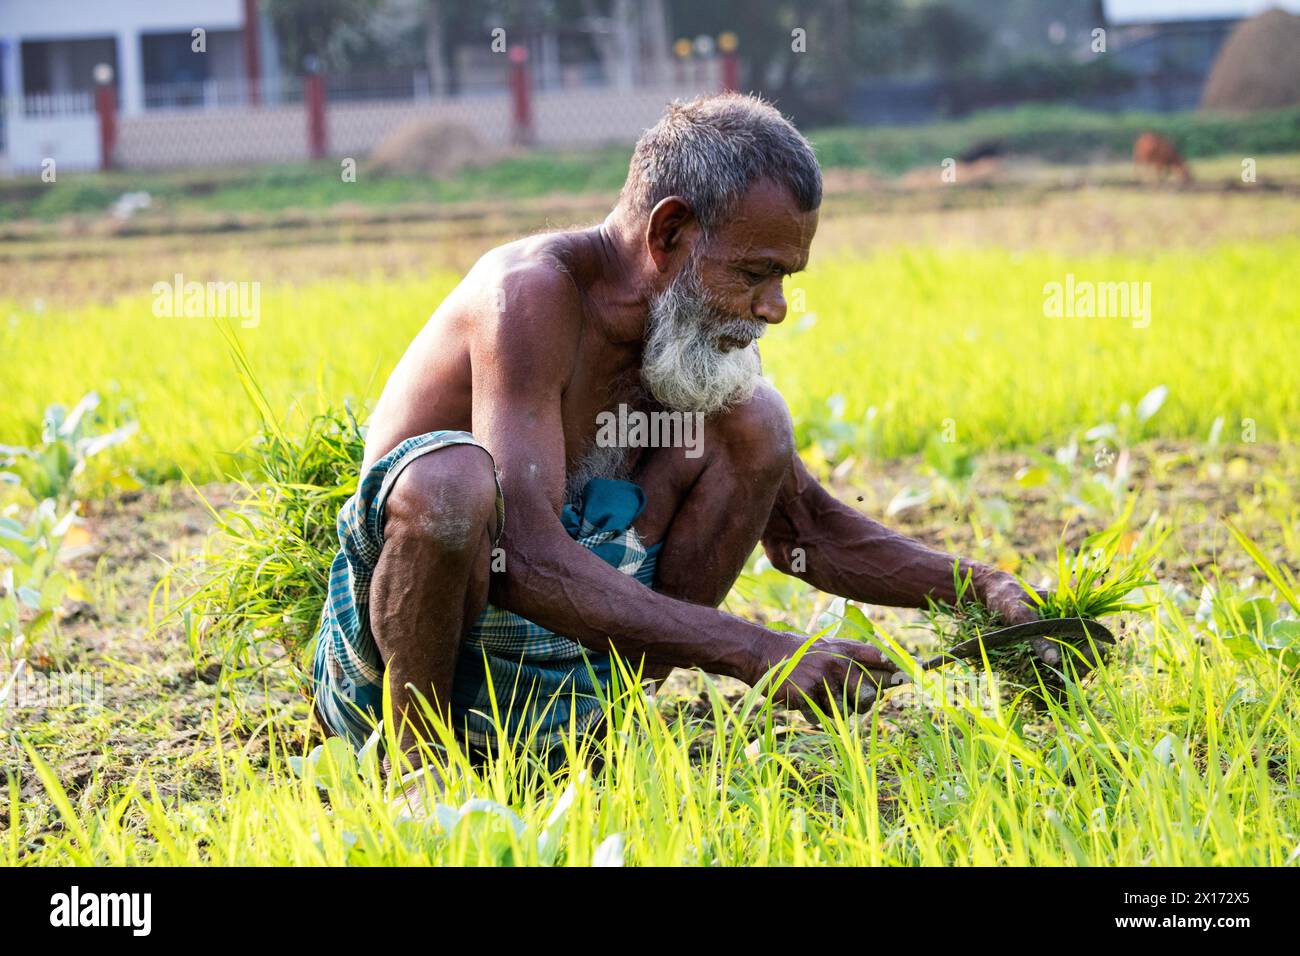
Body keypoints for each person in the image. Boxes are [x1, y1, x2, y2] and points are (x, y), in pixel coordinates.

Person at [310, 92, 1045, 796]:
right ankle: (412, 771)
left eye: (784, 278)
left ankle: (597, 734)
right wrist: (757, 651)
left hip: (566, 659)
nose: (776, 308)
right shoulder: (529, 297)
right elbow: (521, 555)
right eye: (755, 273)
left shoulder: (678, 340)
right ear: (668, 234)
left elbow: (808, 532)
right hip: (407, 665)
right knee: (451, 486)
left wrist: (978, 586)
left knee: (755, 419)